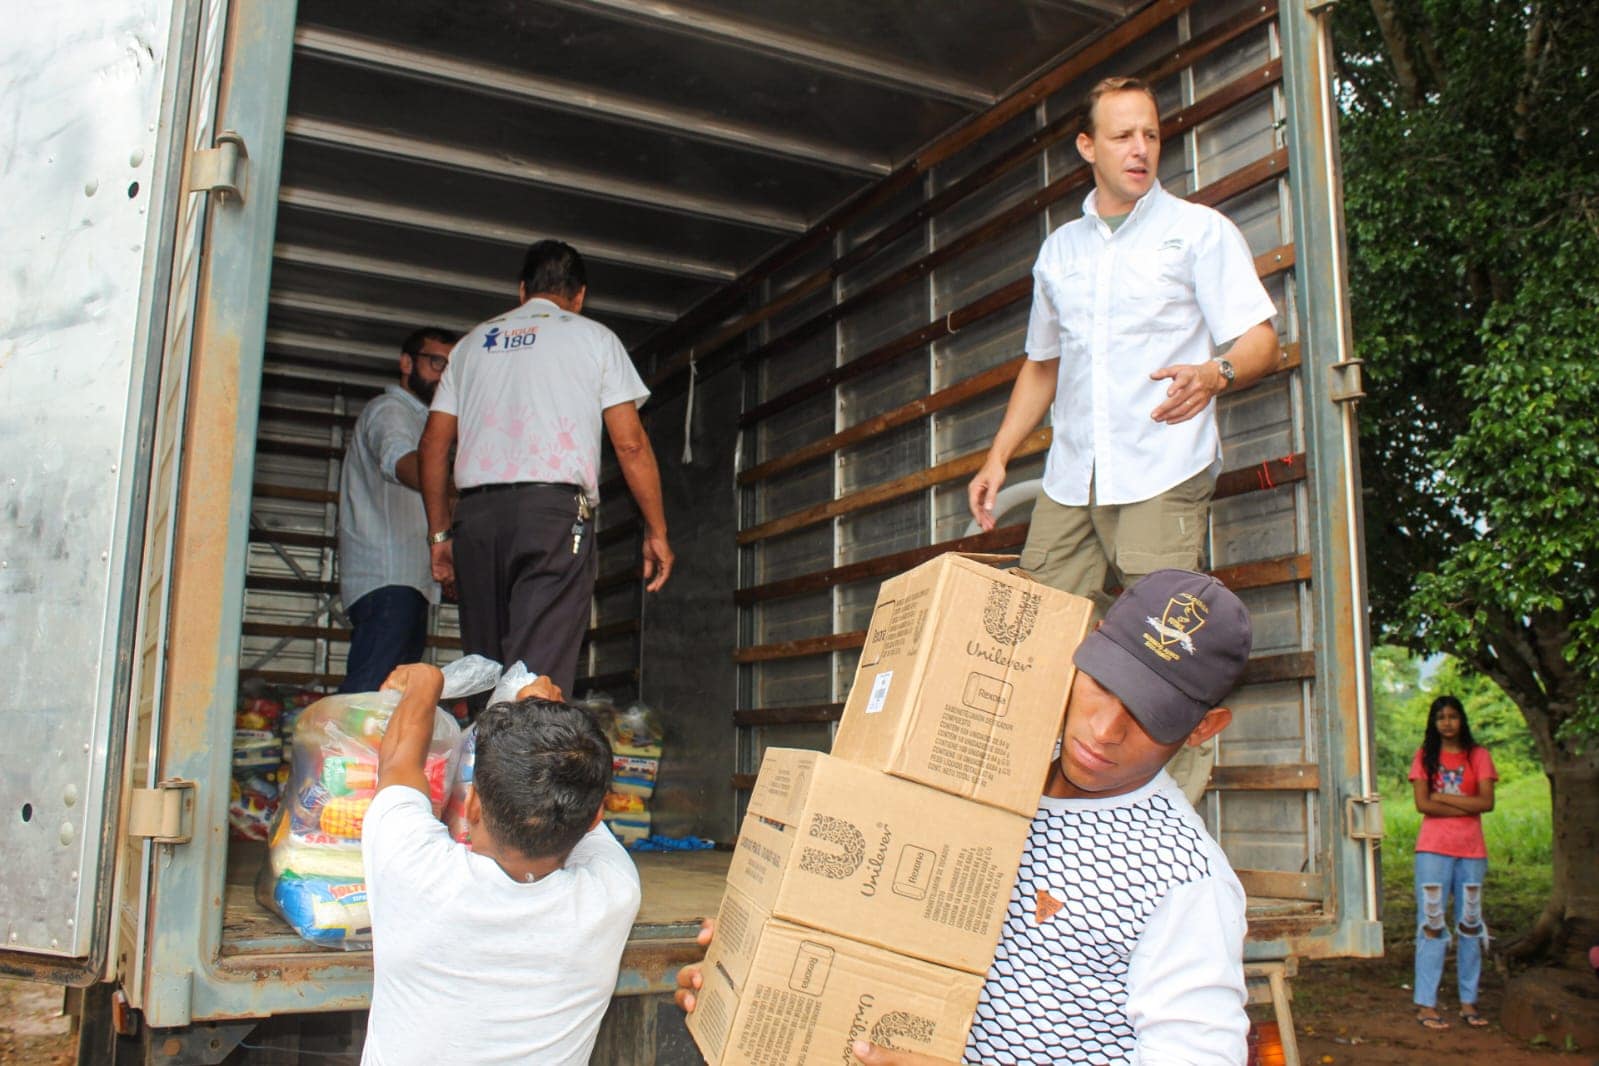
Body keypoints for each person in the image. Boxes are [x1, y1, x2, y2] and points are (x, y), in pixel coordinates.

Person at [677, 568, 1255, 1065]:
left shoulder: (1184, 881)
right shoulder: (995, 764)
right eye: (1102, 684)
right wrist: (754, 949)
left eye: (1149, 713)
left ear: (1205, 727)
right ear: (1086, 648)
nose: (1104, 730)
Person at [966, 75, 1281, 804]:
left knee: (1160, 657)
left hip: (1162, 470)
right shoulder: (1060, 252)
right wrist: (997, 456)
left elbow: (1259, 339)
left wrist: (1216, 371)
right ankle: (1030, 810)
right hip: (1071, 477)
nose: (1139, 149)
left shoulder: (1198, 232)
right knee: (1032, 643)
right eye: (1121, 136)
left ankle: (1168, 825)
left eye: (1149, 135)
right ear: (1087, 147)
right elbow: (1042, 365)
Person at [419, 240, 674, 696]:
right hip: (551, 516)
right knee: (534, 675)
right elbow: (631, 445)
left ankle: (485, 764)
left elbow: (434, 447)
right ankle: (523, 766)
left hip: (475, 520)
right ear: (579, 297)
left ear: (522, 291)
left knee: (485, 666)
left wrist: (440, 535)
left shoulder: (472, 345)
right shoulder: (594, 338)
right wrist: (656, 530)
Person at [359, 662, 640, 1065]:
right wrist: (549, 733)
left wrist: (426, 682)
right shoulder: (613, 892)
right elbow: (576, 806)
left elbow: (399, 765)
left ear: (471, 804)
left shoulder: (414, 870)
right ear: (597, 817)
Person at [337, 327, 459, 693]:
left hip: (405, 579)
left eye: (451, 368)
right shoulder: (391, 411)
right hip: (389, 579)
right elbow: (401, 463)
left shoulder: (424, 419)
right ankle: (338, 752)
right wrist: (463, 485)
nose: (443, 375)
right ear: (406, 363)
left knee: (388, 699)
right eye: (436, 362)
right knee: (369, 695)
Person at [1408, 694, 1497, 1031]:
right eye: (1440, 717)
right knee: (1431, 923)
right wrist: (1465, 803)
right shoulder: (1425, 757)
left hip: (1472, 852)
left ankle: (1468, 1001)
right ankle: (1426, 1004)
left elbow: (1487, 802)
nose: (1447, 723)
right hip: (1432, 850)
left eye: (1453, 716)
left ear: (1462, 720)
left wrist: (1441, 796)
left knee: (1470, 924)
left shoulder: (1480, 756)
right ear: (1433, 722)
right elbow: (1422, 805)